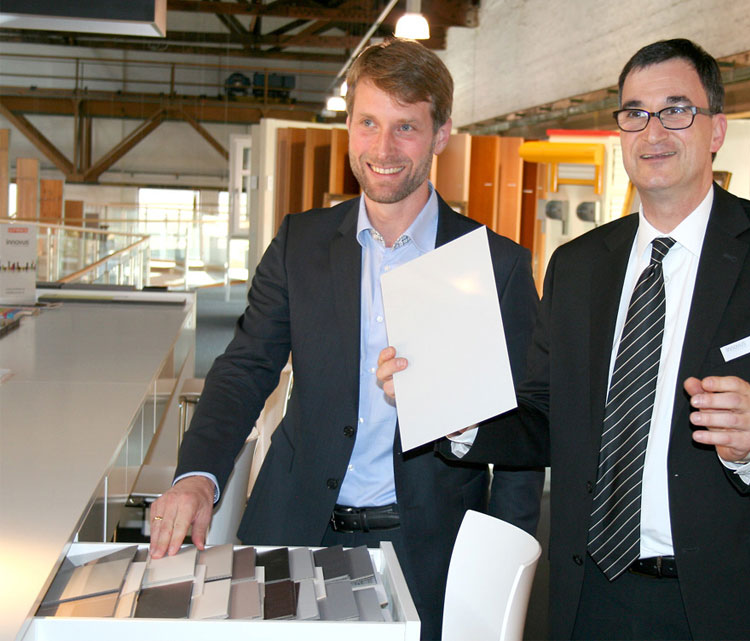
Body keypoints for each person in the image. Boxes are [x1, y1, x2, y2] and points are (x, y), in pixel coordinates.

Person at [379, 38, 750, 640]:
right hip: (597, 593)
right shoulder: (578, 265)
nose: (653, 131)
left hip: (744, 594)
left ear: (715, 129)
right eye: (635, 113)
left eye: (676, 110)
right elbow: (543, 415)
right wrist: (455, 414)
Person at [149, 38, 543, 639]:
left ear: (440, 134)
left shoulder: (493, 264)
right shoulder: (300, 243)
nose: (382, 149)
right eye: (368, 123)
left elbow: (523, 432)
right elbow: (245, 367)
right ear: (349, 127)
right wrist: (198, 475)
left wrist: (502, 565)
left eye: (406, 127)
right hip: (294, 529)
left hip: (427, 547)